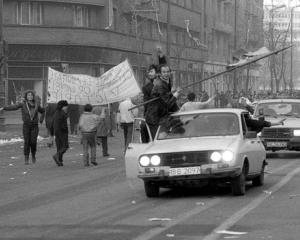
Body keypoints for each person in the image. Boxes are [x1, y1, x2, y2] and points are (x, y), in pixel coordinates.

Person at [0, 90, 45, 165]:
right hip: (26, 125)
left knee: (33, 142)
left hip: (34, 126)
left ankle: (33, 155)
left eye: (31, 95)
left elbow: (43, 111)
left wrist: (41, 119)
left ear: (33, 96)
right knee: (27, 142)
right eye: (28, 95)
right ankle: (26, 158)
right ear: (26, 97)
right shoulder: (23, 104)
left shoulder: (36, 104)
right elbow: (14, 107)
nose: (30, 96)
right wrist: (4, 108)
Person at [145, 64, 181, 139]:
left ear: (170, 72)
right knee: (157, 142)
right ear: (160, 73)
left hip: (162, 118)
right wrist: (176, 94)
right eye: (164, 72)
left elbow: (167, 99)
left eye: (168, 71)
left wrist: (179, 111)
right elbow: (168, 104)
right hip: (154, 119)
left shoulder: (167, 83)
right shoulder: (160, 85)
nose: (166, 74)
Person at [141, 64, 158, 143]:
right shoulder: (146, 87)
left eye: (151, 71)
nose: (149, 73)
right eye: (148, 72)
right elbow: (146, 104)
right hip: (153, 118)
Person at [51, 100, 69, 167]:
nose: (67, 107)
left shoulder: (56, 112)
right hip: (62, 132)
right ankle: (57, 156)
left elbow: (53, 123)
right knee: (65, 146)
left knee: (59, 147)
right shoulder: (62, 113)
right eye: (66, 106)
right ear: (63, 106)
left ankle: (60, 161)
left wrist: (53, 133)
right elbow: (62, 124)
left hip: (57, 132)